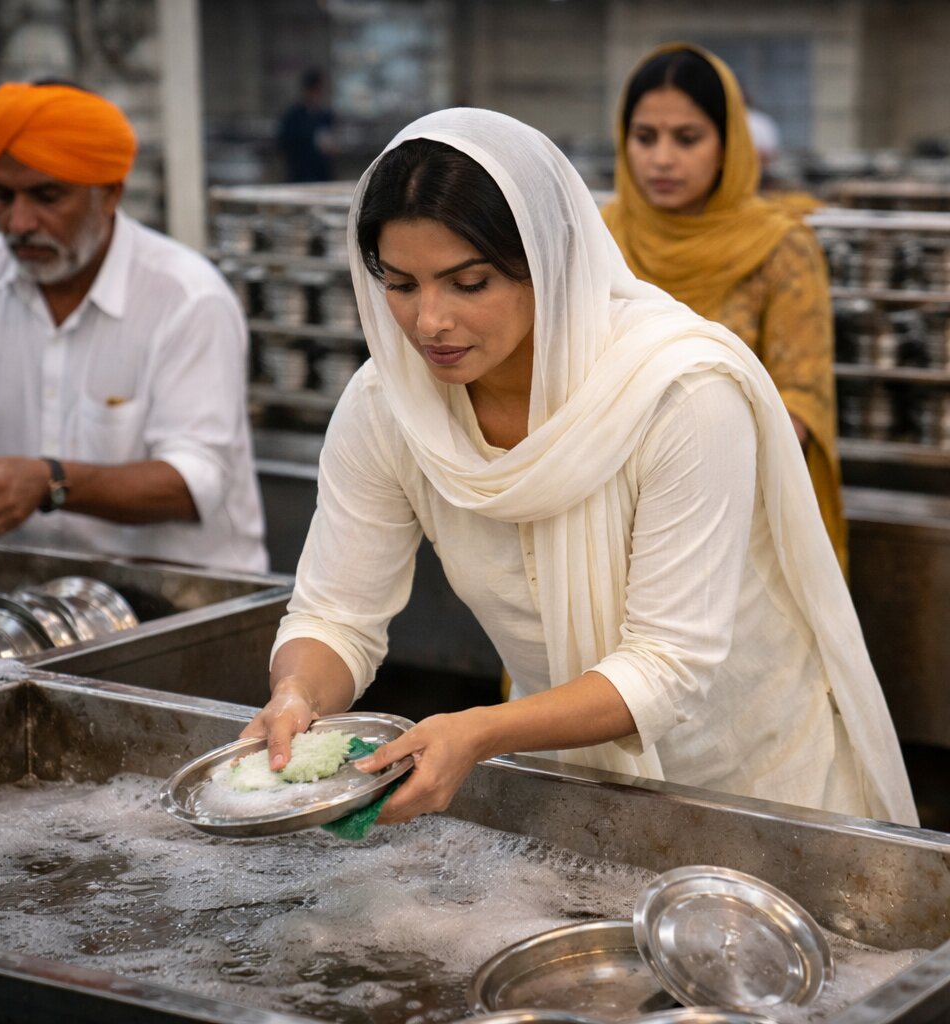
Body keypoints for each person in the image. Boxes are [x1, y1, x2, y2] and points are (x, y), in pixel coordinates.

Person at [240, 106, 916, 829]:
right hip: (574, 777)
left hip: (755, 781)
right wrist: (297, 694)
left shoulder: (676, 394)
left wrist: (481, 731)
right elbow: (337, 613)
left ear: (548, 263)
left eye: (468, 284)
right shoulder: (388, 406)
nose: (429, 321)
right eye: (400, 284)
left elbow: (667, 666)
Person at [0, 81, 267, 574]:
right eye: (2, 196)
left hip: (173, 601)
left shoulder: (188, 299)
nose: (19, 222)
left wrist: (52, 482)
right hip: (19, 593)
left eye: (47, 196)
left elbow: (196, 483)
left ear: (109, 194)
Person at [601, 44, 847, 573]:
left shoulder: (780, 247)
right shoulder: (600, 237)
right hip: (601, 510)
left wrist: (694, 466)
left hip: (733, 522)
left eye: (687, 138)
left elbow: (800, 398)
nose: (662, 158)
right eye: (645, 137)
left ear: (727, 144)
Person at [277, 68, 336, 183]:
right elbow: (284, 142)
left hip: (322, 175)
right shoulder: (293, 116)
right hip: (300, 174)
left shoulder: (325, 116)